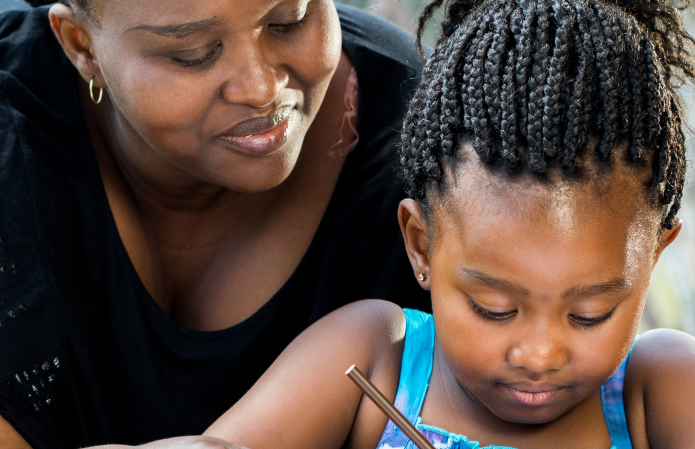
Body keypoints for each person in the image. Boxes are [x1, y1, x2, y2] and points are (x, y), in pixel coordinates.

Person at [199, 0, 695, 448]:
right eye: (494, 309)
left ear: (653, 255)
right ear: (420, 246)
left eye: (590, 314)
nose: (538, 355)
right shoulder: (376, 356)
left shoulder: (658, 391)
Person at [0, 0, 432, 446]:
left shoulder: (437, 152)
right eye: (195, 52)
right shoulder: (13, 136)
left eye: (290, 21)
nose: (261, 88)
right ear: (82, 45)